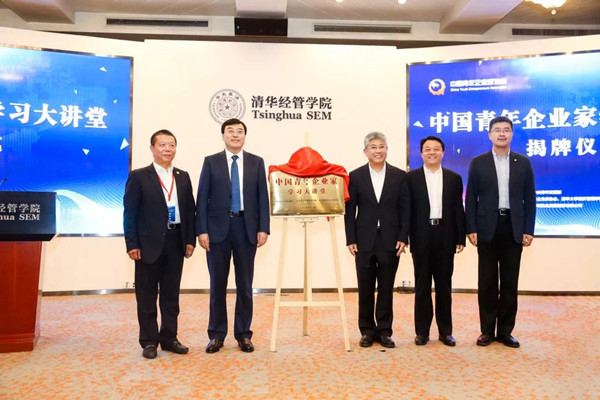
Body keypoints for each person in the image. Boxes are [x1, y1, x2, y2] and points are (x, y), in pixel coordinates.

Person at [196, 118, 270, 354]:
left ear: (245, 136)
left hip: (246, 228)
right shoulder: (211, 162)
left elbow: (263, 197)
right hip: (217, 230)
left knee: (245, 285)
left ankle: (243, 334)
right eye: (231, 131)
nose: (235, 135)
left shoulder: (256, 162)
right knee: (217, 285)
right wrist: (202, 230)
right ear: (223, 135)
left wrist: (263, 228)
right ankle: (216, 335)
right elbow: (202, 198)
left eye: (240, 131)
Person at [123, 129, 196, 359]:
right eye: (162, 145)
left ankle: (169, 338)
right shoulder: (139, 176)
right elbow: (130, 213)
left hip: (176, 240)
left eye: (171, 145)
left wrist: (190, 240)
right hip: (147, 244)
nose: (167, 149)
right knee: (146, 295)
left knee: (171, 295)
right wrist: (132, 243)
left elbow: (189, 211)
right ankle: (149, 341)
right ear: (152, 148)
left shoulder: (183, 176)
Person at [465, 116, 536, 348]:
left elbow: (530, 199)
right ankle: (486, 331)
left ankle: (505, 331)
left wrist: (528, 229)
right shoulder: (478, 162)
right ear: (490, 135)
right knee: (487, 282)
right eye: (497, 130)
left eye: (506, 130)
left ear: (512, 134)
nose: (502, 134)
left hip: (513, 227)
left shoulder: (523, 162)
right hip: (486, 228)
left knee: (509, 282)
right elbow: (471, 198)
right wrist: (471, 227)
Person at [344, 132, 410, 349]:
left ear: (386, 149)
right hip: (363, 240)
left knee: (386, 287)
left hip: (390, 240)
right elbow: (350, 211)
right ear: (366, 151)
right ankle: (366, 330)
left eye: (382, 146)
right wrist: (350, 238)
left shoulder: (399, 176)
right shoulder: (355, 176)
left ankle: (384, 331)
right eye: (373, 147)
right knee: (365, 287)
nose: (378, 150)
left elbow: (405, 210)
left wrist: (403, 237)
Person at [406, 136, 465, 347]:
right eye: (427, 149)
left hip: (445, 235)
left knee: (444, 287)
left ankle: (445, 332)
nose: (432, 152)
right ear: (421, 153)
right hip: (421, 235)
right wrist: (404, 237)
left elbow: (458, 209)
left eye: (436, 149)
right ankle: (422, 332)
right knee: (422, 287)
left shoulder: (453, 178)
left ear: (443, 152)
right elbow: (406, 210)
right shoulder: (410, 178)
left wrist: (460, 237)